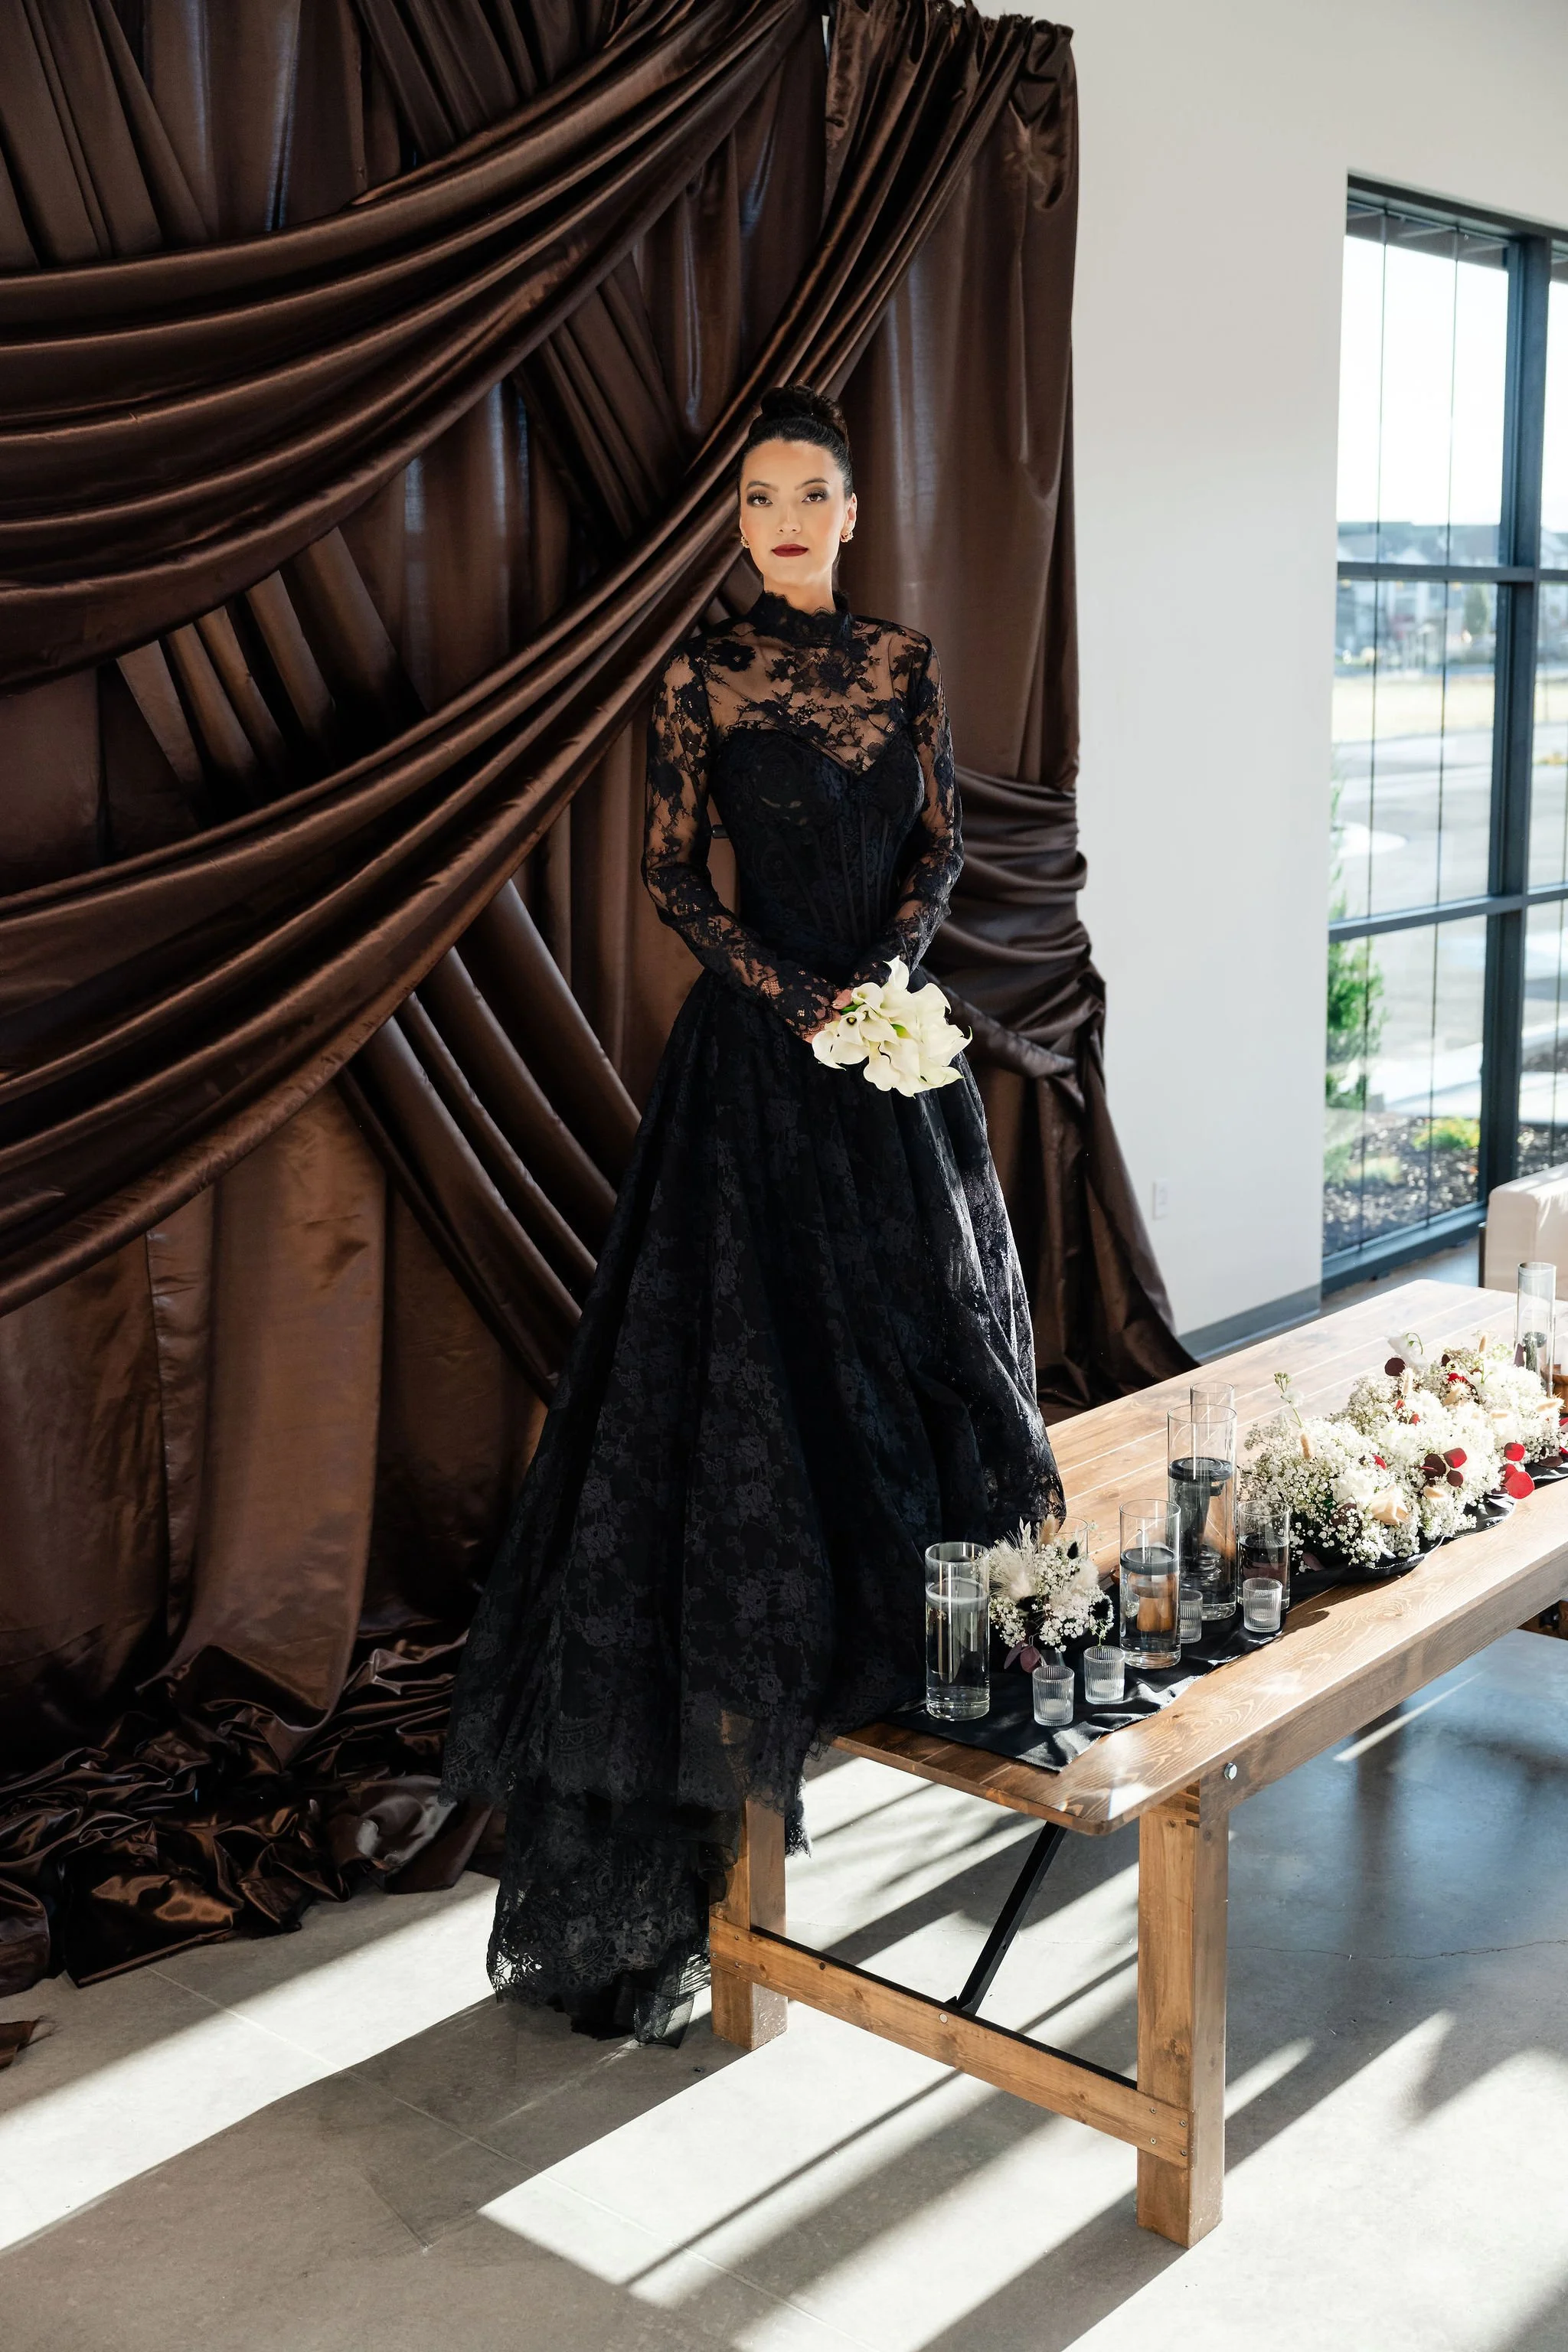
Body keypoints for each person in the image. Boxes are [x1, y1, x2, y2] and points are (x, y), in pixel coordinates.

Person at [442, 386, 1063, 2040]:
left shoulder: (907, 663)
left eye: (810, 494)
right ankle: (724, 1777)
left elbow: (941, 845)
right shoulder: (701, 672)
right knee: (738, 1372)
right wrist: (798, 1000)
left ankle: (923, 1651)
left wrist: (894, 979)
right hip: (757, 1060)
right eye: (758, 500)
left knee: (924, 1336)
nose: (783, 519)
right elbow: (669, 881)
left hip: (890, 1048)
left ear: (852, 512)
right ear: (739, 525)